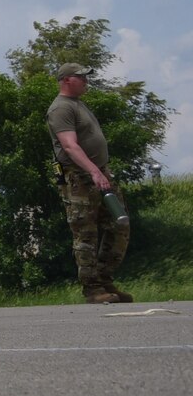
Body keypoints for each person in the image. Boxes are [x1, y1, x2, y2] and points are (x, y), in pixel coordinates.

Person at [46, 63, 132, 305]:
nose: (86, 80)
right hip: (80, 178)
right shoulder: (60, 108)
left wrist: (103, 171)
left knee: (119, 225)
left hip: (100, 174)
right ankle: (92, 289)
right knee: (86, 233)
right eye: (81, 77)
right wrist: (94, 171)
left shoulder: (78, 104)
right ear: (66, 80)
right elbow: (70, 146)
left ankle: (105, 280)